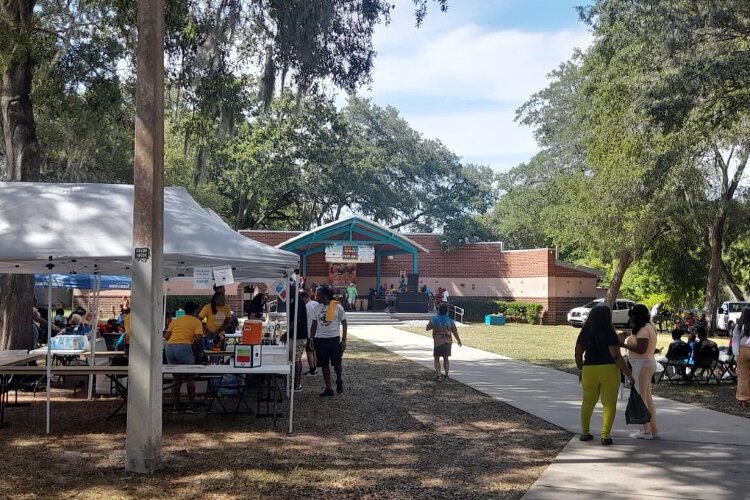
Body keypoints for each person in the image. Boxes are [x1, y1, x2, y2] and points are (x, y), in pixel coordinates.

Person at [575, 305, 634, 446]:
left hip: (589, 369)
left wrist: (580, 369)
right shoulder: (609, 332)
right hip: (608, 370)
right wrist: (628, 375)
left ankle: (584, 432)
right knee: (609, 404)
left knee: (587, 402)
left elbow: (578, 353)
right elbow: (616, 356)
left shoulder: (585, 331)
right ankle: (605, 436)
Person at [621, 304, 660, 440]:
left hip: (641, 364)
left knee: (640, 397)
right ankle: (653, 428)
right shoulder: (650, 326)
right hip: (647, 364)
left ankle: (645, 430)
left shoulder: (643, 330)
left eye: (633, 316)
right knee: (647, 397)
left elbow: (641, 348)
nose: (632, 319)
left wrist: (623, 344)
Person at [164, 301, 204, 414]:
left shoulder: (176, 321)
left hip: (169, 347)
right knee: (190, 378)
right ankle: (191, 406)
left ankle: (176, 406)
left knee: (176, 379)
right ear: (195, 311)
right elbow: (199, 338)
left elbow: (167, 336)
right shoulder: (197, 322)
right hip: (184, 347)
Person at [309, 286, 347, 397]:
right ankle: (329, 388)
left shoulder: (337, 306)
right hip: (320, 339)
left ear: (325, 295)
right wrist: (311, 338)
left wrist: (344, 340)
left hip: (334, 339)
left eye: (319, 294)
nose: (317, 296)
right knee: (323, 364)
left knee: (337, 363)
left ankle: (339, 380)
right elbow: (314, 324)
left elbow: (344, 323)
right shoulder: (316, 308)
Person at [426, 303, 462, 381]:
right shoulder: (450, 320)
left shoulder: (434, 319)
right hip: (448, 341)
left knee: (436, 358)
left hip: (438, 341)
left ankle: (439, 376)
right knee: (446, 359)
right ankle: (446, 375)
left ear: (439, 310)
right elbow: (455, 331)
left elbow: (427, 328)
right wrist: (459, 340)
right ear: (447, 311)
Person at [286, 291, 309, 392]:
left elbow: (296, 319)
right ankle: (297, 383)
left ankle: (297, 384)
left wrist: (287, 332)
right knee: (297, 359)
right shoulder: (297, 301)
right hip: (298, 335)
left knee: (296, 360)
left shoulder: (298, 302)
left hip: (298, 336)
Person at [732, 308, 750, 407]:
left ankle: (743, 400)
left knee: (743, 376)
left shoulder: (738, 326)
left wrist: (736, 354)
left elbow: (735, 341)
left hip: (742, 351)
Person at [301, 291, 319, 375]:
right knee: (314, 351)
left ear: (304, 298)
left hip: (308, 331)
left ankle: (312, 369)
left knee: (309, 351)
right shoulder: (316, 303)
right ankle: (315, 367)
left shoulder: (306, 306)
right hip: (317, 331)